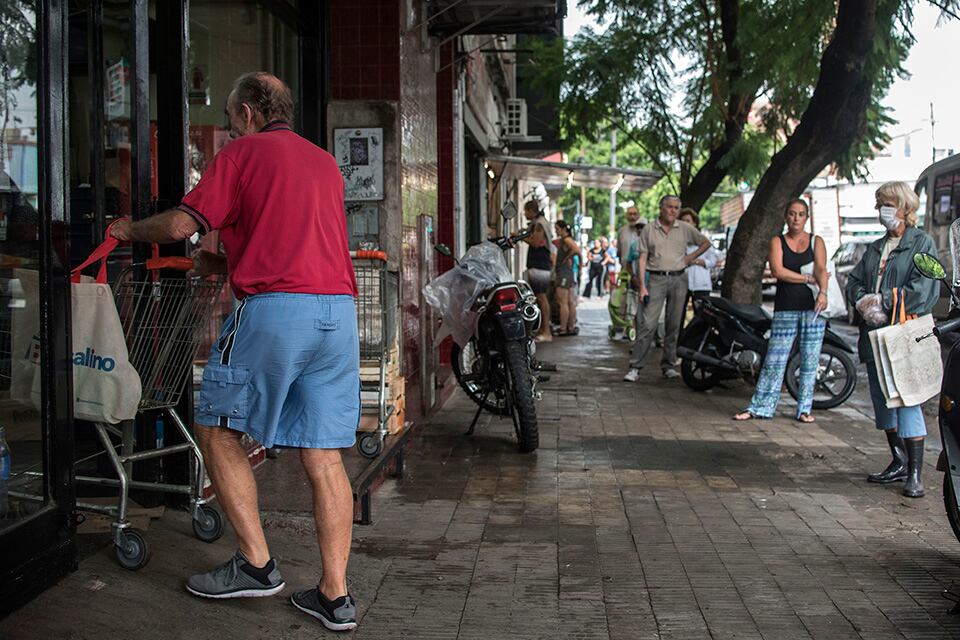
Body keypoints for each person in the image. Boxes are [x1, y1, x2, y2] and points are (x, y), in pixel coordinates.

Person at [109, 72, 361, 631]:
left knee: (219, 431)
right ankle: (334, 595)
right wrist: (226, 265)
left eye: (229, 118)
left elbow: (180, 223)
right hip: (337, 316)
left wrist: (127, 229)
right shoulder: (322, 162)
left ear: (247, 112)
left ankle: (255, 564)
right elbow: (298, 244)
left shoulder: (243, 154)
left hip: (275, 315)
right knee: (322, 454)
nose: (228, 127)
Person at [845, 181, 938, 498]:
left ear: (904, 207)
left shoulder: (921, 244)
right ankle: (898, 460)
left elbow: (924, 290)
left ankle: (915, 473)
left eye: (884, 203)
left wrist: (883, 301)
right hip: (874, 337)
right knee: (883, 404)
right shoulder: (874, 247)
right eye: (877, 203)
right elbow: (854, 281)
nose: (879, 209)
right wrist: (862, 302)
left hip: (902, 335)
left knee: (907, 400)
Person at [733, 199, 828, 424]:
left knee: (810, 360)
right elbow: (778, 271)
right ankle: (760, 407)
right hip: (786, 307)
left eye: (801, 214)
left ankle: (804, 409)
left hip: (813, 308)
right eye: (792, 214)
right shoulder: (777, 241)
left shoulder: (817, 241)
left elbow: (822, 269)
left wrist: (823, 291)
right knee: (775, 360)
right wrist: (807, 278)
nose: (796, 218)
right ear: (786, 216)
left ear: (807, 217)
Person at [623, 195, 710, 382]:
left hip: (679, 278)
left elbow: (705, 242)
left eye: (676, 208)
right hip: (656, 278)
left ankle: (669, 364)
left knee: (673, 324)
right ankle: (635, 366)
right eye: (669, 207)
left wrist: (690, 257)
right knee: (648, 324)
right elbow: (642, 257)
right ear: (661, 208)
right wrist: (642, 286)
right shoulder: (649, 229)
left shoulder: (684, 228)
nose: (673, 211)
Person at [522, 199, 554, 342]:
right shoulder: (539, 222)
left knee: (542, 298)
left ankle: (546, 332)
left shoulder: (540, 224)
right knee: (540, 298)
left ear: (531, 210)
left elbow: (536, 242)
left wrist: (520, 237)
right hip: (538, 265)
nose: (524, 214)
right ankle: (542, 329)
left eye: (525, 211)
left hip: (540, 265)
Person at [678, 208, 717, 313]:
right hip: (682, 284)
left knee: (701, 314)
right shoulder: (677, 242)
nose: (685, 224)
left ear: (694, 223)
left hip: (701, 284)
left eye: (688, 221)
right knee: (679, 314)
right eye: (682, 221)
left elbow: (713, 261)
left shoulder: (704, 241)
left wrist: (696, 261)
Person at [553, 220, 580, 335]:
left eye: (557, 229)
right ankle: (571, 327)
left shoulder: (567, 240)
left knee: (562, 302)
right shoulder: (564, 240)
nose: (556, 231)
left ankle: (563, 328)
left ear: (564, 229)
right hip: (567, 272)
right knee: (569, 302)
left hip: (564, 273)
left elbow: (577, 250)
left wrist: (567, 257)